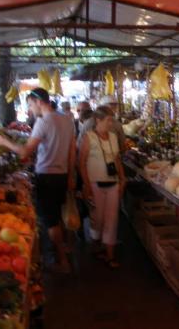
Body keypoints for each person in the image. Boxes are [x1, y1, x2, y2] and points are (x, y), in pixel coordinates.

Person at [0, 87, 76, 273]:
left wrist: (4, 142)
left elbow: (25, 152)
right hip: (62, 175)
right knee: (58, 215)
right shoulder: (67, 119)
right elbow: (72, 150)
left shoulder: (43, 122)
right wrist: (71, 174)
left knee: (50, 220)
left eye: (31, 105)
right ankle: (65, 250)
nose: (30, 109)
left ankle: (62, 261)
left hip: (46, 176)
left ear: (39, 102)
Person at [78, 106, 126, 268]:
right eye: (108, 120)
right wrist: (86, 184)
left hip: (113, 183)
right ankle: (96, 244)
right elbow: (81, 162)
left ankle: (110, 255)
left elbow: (117, 159)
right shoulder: (88, 137)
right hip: (95, 184)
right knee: (97, 218)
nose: (111, 124)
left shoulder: (113, 137)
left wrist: (122, 178)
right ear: (98, 120)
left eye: (112, 120)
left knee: (112, 219)